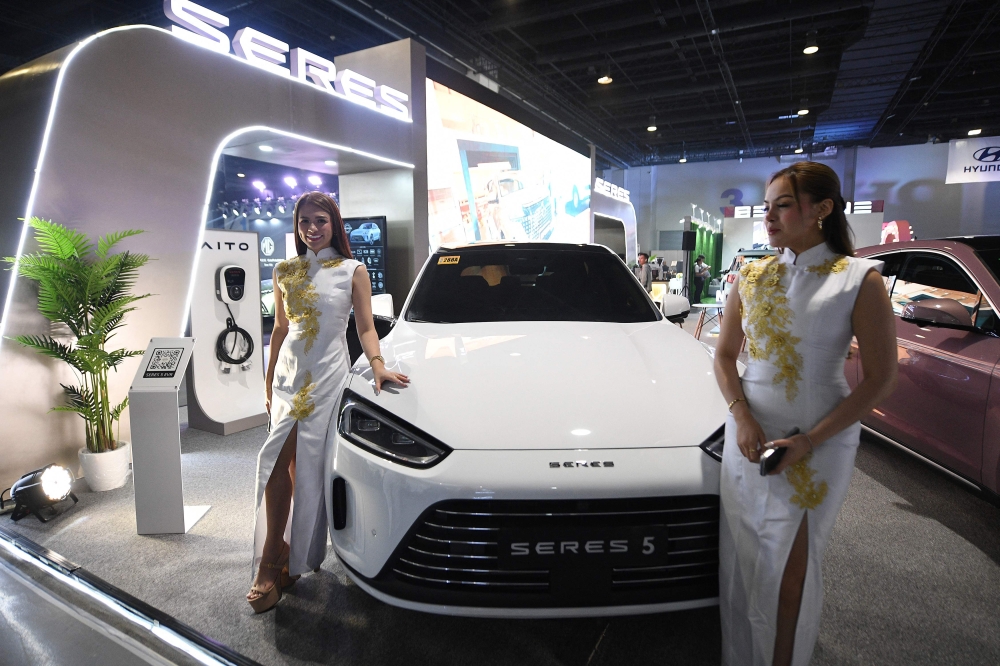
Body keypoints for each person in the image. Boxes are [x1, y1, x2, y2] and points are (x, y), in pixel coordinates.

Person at [713, 161, 897, 666]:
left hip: (819, 441)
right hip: (748, 434)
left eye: (784, 205)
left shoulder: (859, 279)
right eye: (767, 206)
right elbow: (726, 356)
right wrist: (742, 415)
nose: (769, 216)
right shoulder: (750, 276)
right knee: (745, 562)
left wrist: (811, 440)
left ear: (822, 209)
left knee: (790, 569)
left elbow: (882, 377)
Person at [247, 191, 409, 613]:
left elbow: (366, 327)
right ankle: (272, 555)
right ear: (296, 228)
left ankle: (297, 557)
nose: (312, 229)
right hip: (287, 379)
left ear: (335, 223)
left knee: (311, 466)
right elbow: (280, 330)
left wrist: (377, 364)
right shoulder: (285, 270)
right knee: (275, 461)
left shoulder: (353, 270)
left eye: (320, 220)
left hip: (328, 376)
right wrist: (268, 383)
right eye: (304, 222)